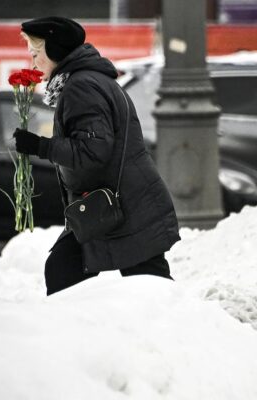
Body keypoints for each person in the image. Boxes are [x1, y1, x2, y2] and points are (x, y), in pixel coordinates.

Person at [14, 17, 180, 295]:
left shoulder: (82, 87)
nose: (33, 63)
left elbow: (93, 151)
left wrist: (40, 146)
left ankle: (190, 333)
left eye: (36, 54)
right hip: (113, 205)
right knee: (67, 270)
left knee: (151, 289)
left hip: (123, 207)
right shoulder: (88, 81)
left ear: (55, 51)